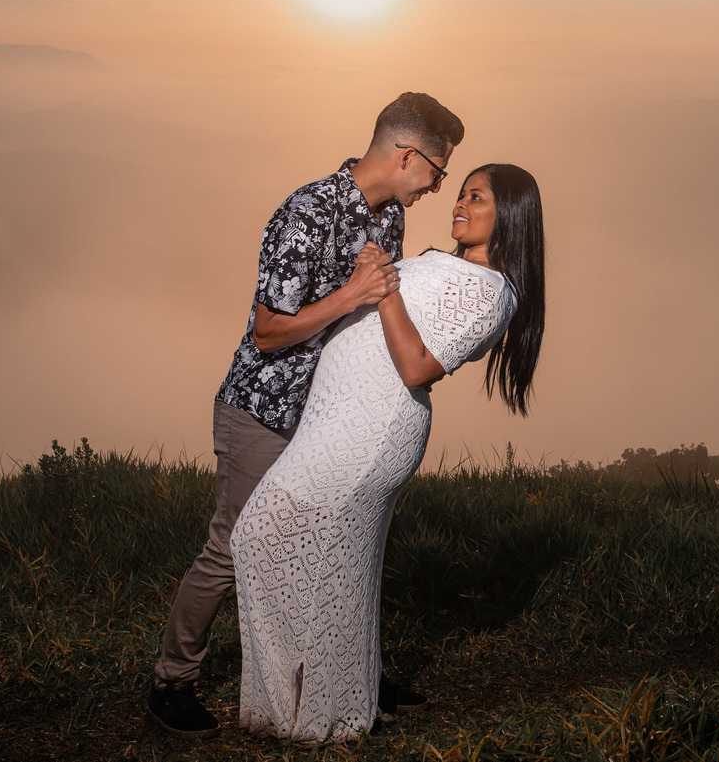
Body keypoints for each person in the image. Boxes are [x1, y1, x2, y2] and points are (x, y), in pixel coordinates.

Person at [149, 92, 465, 740]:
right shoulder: (307, 211)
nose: (438, 187)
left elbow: (378, 311)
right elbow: (268, 331)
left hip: (334, 414)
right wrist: (354, 292)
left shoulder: (388, 222)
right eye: (437, 171)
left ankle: (348, 674)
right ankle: (171, 681)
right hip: (266, 410)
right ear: (407, 156)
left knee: (338, 539)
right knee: (233, 548)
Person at [230, 164, 546, 742]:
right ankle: (315, 707)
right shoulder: (448, 264)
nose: (460, 203)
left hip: (373, 429)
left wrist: (386, 287)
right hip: (337, 418)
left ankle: (320, 716)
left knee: (263, 538)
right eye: (460, 192)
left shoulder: (492, 291)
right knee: (328, 565)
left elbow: (418, 364)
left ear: (512, 217)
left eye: (476, 196)